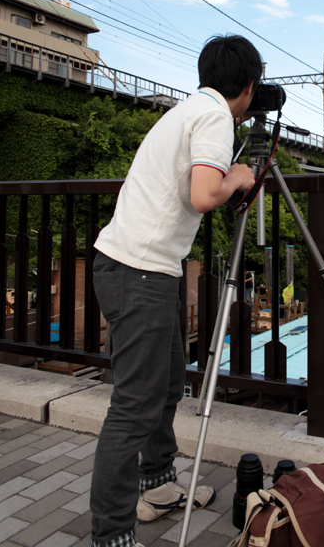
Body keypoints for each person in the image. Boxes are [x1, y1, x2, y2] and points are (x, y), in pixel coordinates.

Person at [89, 34, 262, 547]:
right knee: (134, 406)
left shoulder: (189, 109)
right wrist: (239, 175)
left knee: (165, 385)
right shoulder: (213, 117)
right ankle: (111, 533)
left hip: (144, 269)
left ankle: (158, 484)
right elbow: (206, 193)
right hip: (138, 272)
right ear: (248, 89)